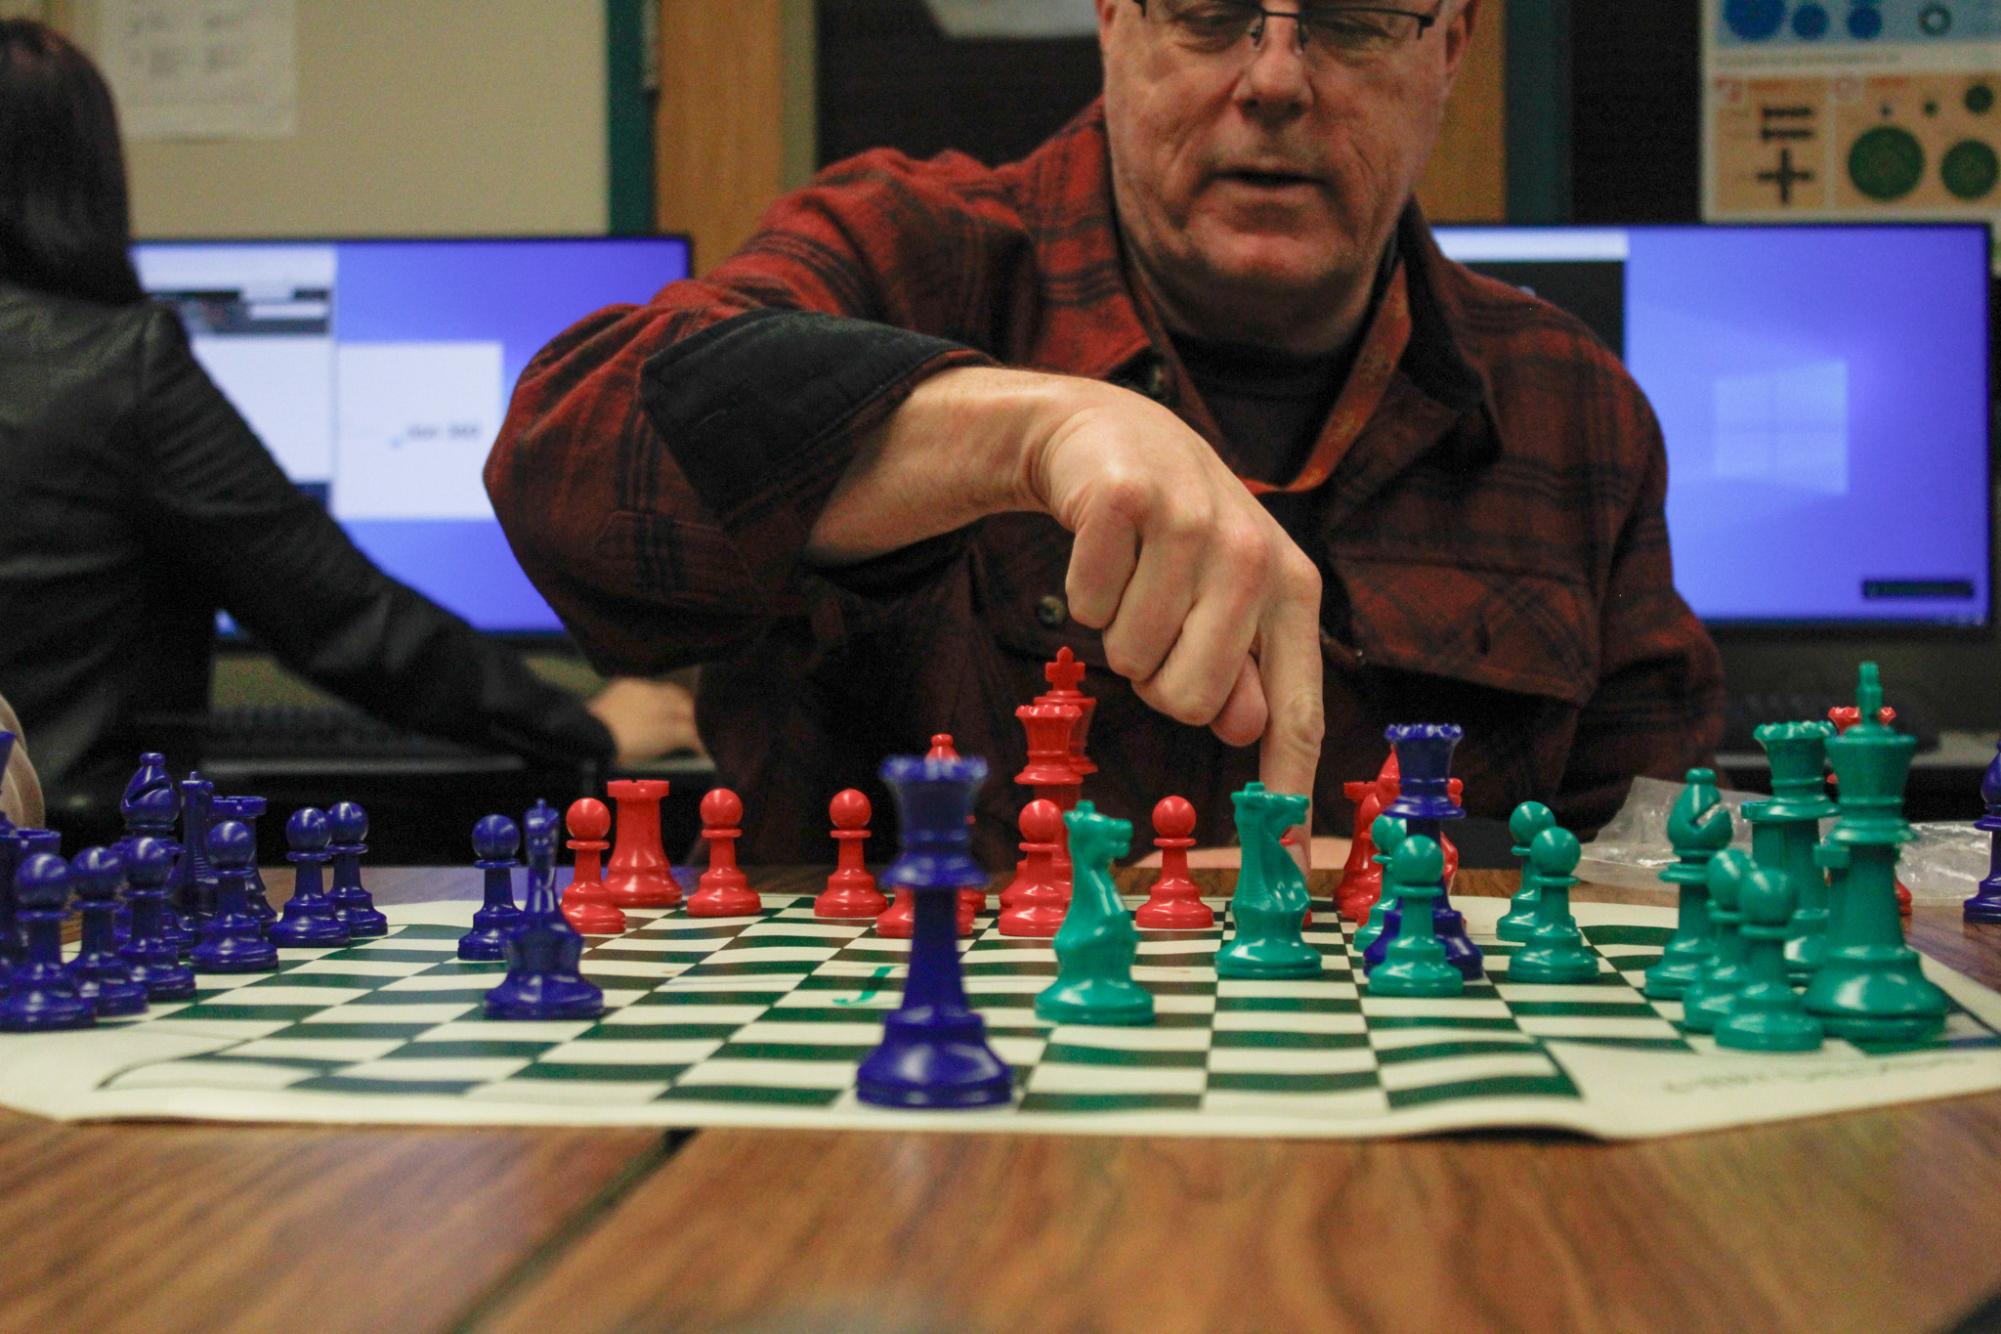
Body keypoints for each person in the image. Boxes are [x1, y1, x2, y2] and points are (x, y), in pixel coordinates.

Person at [486, 0, 1725, 867]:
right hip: (912, 1149)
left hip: (1411, 1153)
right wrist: (1027, 432)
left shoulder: (1570, 407)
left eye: (1352, 18)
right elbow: (565, 453)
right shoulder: (908, 260)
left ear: (1452, 43)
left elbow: (1646, 875)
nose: (1277, 80)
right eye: (1208, 9)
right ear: (1113, 19)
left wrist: (1409, 881)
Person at [0, 19, 698, 827]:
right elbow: (338, 612)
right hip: (72, 883)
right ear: (84, 179)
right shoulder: (117, 367)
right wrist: (580, 726)